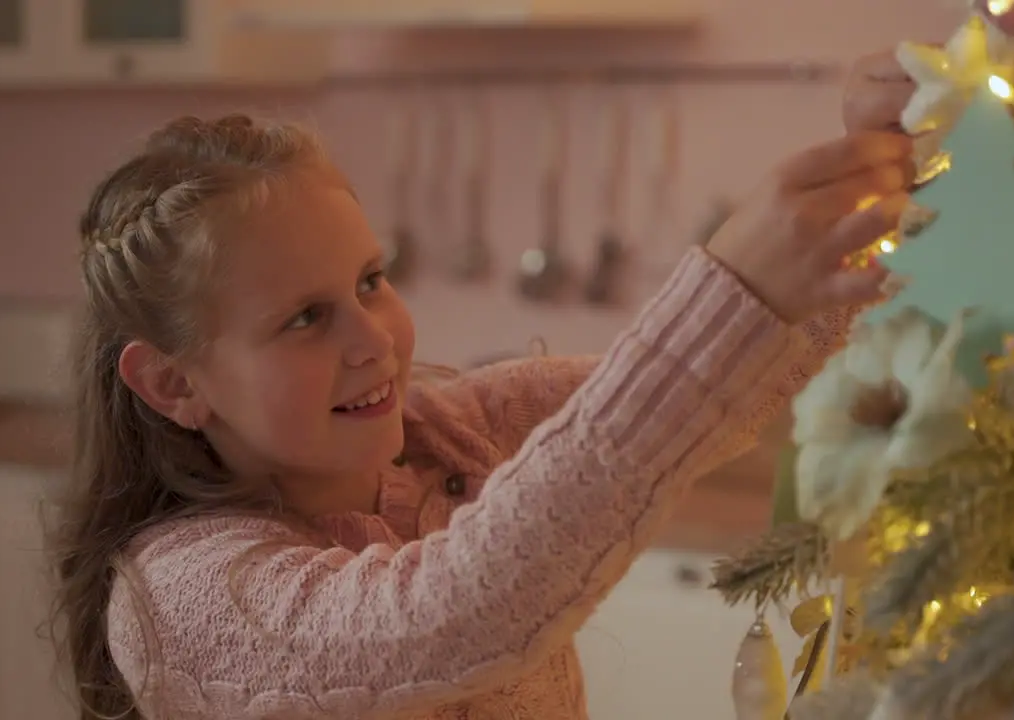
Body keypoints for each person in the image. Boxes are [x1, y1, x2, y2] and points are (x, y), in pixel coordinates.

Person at [48, 55, 917, 720]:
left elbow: (727, 391)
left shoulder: (468, 426)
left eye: (370, 281)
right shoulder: (182, 593)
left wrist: (880, 173)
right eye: (305, 319)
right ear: (173, 384)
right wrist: (728, 291)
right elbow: (450, 613)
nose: (372, 342)